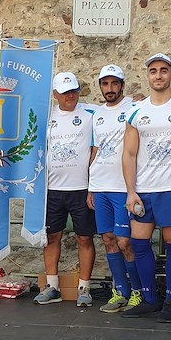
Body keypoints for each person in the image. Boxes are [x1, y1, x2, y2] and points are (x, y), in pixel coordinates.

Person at [122, 53, 171, 322]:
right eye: (153, 70)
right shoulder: (136, 111)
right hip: (144, 189)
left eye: (163, 70)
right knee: (139, 242)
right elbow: (129, 154)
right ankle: (150, 299)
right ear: (147, 75)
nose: (158, 75)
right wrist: (131, 191)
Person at [34, 71, 97, 307]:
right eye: (64, 92)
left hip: (81, 187)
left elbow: (120, 109)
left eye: (73, 91)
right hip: (52, 188)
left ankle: (84, 288)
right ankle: (52, 287)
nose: (70, 96)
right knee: (52, 237)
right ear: (55, 94)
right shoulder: (46, 116)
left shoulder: (91, 112)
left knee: (84, 238)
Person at [87, 64, 143, 313]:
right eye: (105, 84)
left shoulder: (135, 106)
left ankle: (139, 291)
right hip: (100, 186)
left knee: (124, 242)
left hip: (123, 187)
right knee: (108, 239)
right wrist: (90, 187)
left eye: (114, 83)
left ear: (122, 84)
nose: (109, 89)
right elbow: (95, 151)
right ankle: (120, 291)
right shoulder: (97, 114)